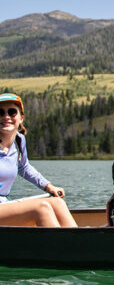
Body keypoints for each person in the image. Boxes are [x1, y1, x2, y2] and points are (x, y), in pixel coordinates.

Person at [0, 93, 77, 227]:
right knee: (41, 209)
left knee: (57, 202)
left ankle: (78, 245)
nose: (6, 117)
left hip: (4, 204)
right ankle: (62, 247)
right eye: (0, 113)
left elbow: (24, 167)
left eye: (12, 112)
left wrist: (48, 186)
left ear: (21, 118)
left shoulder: (19, 141)